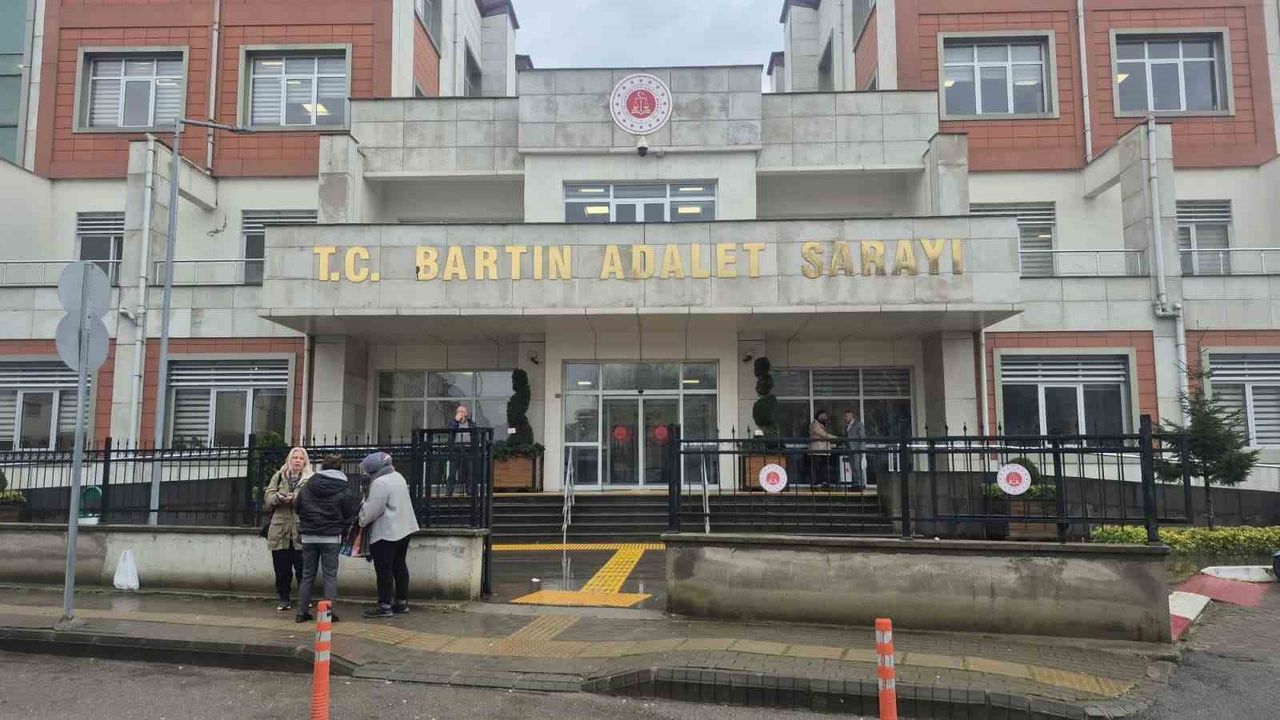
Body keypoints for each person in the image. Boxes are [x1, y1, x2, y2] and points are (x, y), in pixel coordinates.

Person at [294, 454, 359, 624]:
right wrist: (342, 528)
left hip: (308, 536)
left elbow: (297, 506)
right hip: (331, 537)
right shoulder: (344, 487)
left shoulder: (308, 485)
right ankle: (328, 614)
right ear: (339, 468)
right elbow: (350, 512)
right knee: (330, 576)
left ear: (323, 467)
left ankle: (301, 612)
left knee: (307, 575)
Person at [358, 451, 421, 618]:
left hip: (386, 532)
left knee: (384, 570)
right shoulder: (398, 476)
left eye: (366, 470)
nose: (365, 474)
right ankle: (401, 602)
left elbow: (372, 510)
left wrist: (362, 513)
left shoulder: (380, 483)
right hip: (404, 529)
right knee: (399, 566)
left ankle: (384, 605)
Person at [263, 447, 313, 612]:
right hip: (280, 530)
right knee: (281, 568)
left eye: (301, 458)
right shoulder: (278, 476)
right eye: (294, 457)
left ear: (305, 461)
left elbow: (313, 500)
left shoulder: (310, 478)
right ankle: (283, 598)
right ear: (289, 460)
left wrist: (295, 499)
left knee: (302, 568)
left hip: (301, 530)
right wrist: (278, 497)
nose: (297, 461)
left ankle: (304, 598)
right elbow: (268, 497)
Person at [445, 405, 474, 496]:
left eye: (462, 411)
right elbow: (450, 430)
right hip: (456, 450)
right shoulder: (453, 423)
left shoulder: (471, 423)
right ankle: (449, 491)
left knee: (469, 472)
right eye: (458, 411)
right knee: (452, 472)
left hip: (468, 450)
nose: (460, 413)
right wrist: (456, 421)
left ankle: (469, 490)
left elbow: (475, 435)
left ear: (466, 414)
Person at [808, 410, 840, 488]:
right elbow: (824, 435)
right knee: (816, 468)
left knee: (824, 468)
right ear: (819, 415)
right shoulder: (814, 425)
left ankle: (824, 482)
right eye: (824, 415)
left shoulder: (824, 424)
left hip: (824, 451)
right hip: (817, 450)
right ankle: (815, 483)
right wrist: (838, 438)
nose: (826, 417)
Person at [843, 409, 866, 490]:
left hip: (857, 449)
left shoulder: (858, 424)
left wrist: (862, 449)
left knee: (857, 466)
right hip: (850, 449)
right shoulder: (846, 426)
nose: (845, 418)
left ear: (851, 416)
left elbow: (862, 437)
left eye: (846, 416)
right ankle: (855, 483)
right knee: (852, 467)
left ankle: (861, 483)